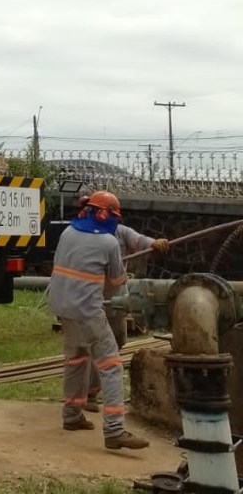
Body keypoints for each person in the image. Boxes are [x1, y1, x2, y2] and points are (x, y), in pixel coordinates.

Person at [49, 190, 148, 450]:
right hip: (88, 312)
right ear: (108, 216)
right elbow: (116, 286)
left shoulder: (68, 232)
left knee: (77, 360)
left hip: (62, 307)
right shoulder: (108, 243)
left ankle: (71, 415)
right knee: (111, 365)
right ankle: (115, 430)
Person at [83, 199, 170, 412]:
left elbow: (139, 240)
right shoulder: (85, 235)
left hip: (116, 299)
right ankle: (90, 393)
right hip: (92, 299)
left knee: (118, 339)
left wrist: (154, 243)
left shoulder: (120, 232)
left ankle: (93, 389)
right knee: (96, 346)